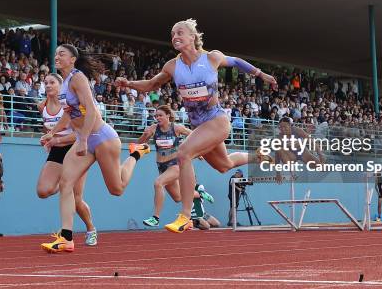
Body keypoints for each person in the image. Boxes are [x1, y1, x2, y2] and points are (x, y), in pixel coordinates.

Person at [116, 19, 276, 233]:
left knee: (183, 153)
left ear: (193, 37)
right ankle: (258, 156)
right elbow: (152, 84)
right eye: (172, 34)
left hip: (217, 121)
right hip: (200, 126)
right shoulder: (172, 66)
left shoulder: (211, 58)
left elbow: (236, 61)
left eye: (180, 32)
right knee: (224, 165)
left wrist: (260, 74)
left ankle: (185, 215)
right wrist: (129, 84)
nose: (175, 37)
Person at [39, 44, 150, 253]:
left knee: (116, 189)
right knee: (65, 183)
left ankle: (135, 153)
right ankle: (66, 237)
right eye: (55, 54)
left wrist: (82, 140)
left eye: (61, 54)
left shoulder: (77, 77)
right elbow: (68, 114)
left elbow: (91, 110)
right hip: (85, 138)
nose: (57, 56)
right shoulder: (64, 85)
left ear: (72, 59)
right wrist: (52, 132)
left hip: (101, 138)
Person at [37, 73, 97, 246]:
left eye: (52, 82)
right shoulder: (43, 106)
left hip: (75, 149)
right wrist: (47, 139)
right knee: (43, 190)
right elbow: (49, 128)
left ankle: (91, 229)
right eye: (45, 83)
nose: (48, 85)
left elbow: (79, 133)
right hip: (56, 150)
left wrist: (57, 139)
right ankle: (64, 183)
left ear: (61, 85)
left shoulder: (69, 105)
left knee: (76, 199)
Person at [138, 105, 192, 227]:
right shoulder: (153, 128)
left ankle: (155, 217)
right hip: (161, 166)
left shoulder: (176, 128)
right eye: (156, 116)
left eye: (160, 115)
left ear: (168, 115)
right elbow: (138, 144)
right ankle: (199, 192)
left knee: (158, 183)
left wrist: (194, 150)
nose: (157, 118)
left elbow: (194, 135)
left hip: (175, 165)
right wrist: (145, 136)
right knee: (178, 197)